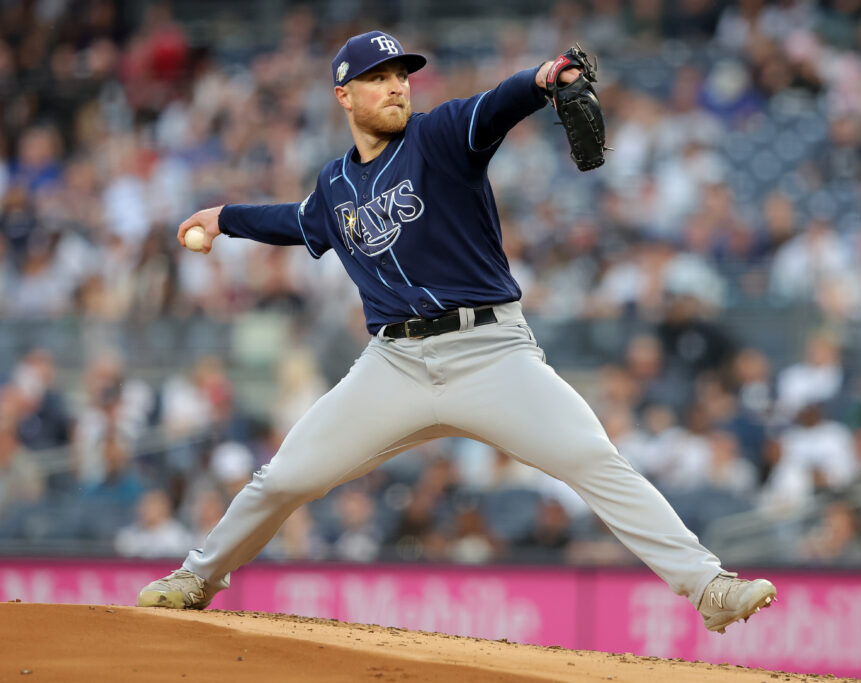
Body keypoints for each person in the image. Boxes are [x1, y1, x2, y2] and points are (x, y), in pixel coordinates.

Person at [136, 30, 776, 635]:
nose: (394, 87)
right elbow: (292, 220)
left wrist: (543, 78)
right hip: (393, 366)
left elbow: (496, 106)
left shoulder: (439, 137)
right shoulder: (335, 186)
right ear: (343, 97)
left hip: (490, 354)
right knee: (282, 479)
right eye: (376, 77)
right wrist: (224, 218)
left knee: (592, 457)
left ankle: (708, 587)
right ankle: (197, 578)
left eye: (400, 75)